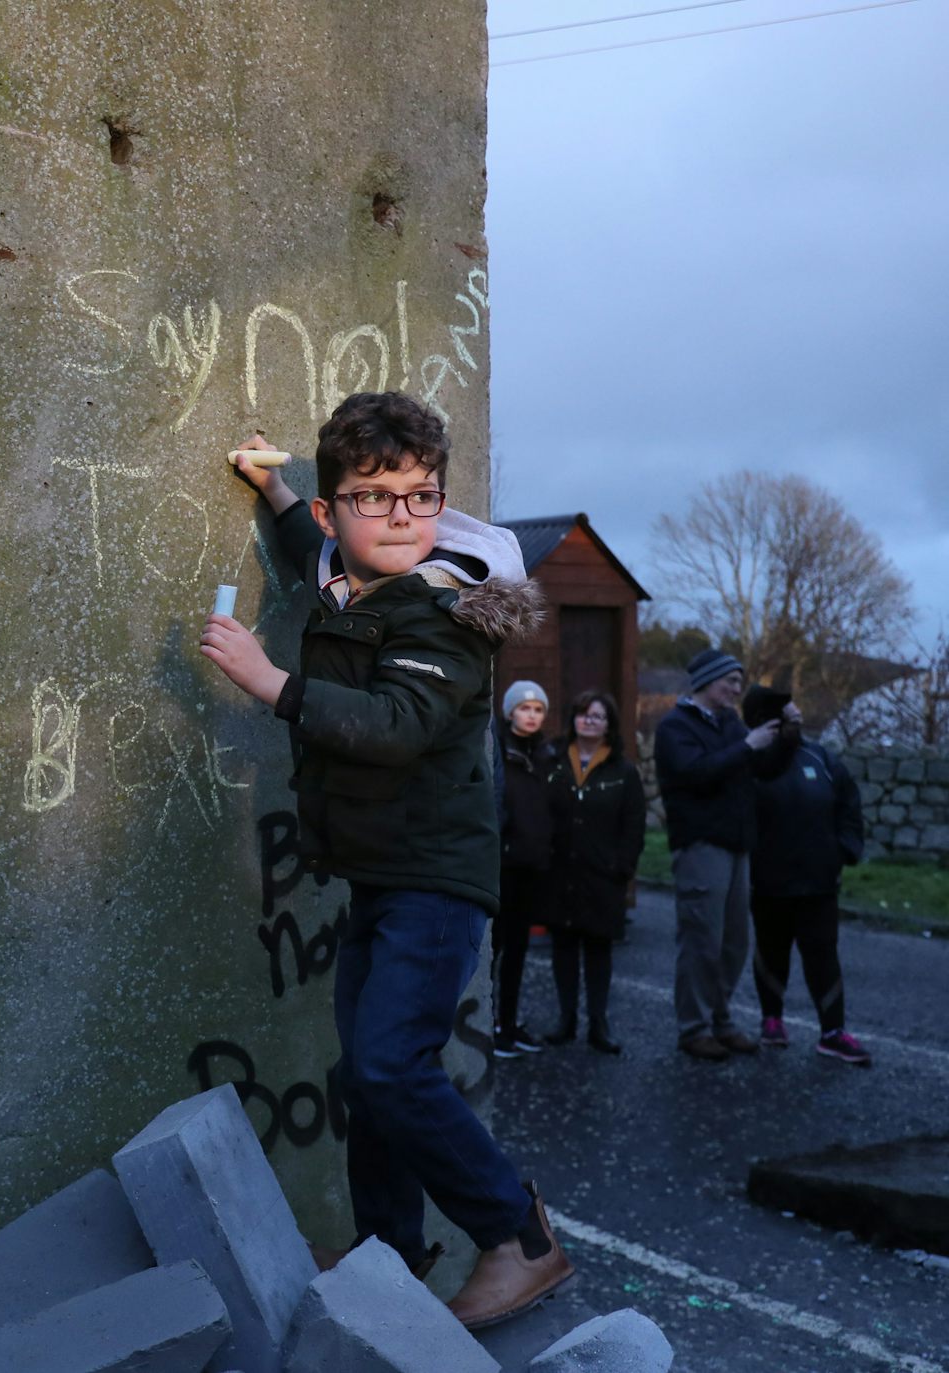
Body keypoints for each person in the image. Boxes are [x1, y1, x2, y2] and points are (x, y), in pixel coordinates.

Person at [202, 392, 571, 1329]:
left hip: (437, 879)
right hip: (384, 873)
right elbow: (308, 550)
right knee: (369, 1076)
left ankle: (519, 1236)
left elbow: (397, 726)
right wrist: (277, 489)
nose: (404, 515)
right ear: (338, 513)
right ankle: (388, 1256)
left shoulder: (445, 612)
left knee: (390, 1065)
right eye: (374, 496)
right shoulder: (348, 575)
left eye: (420, 495)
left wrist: (271, 681)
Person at [653, 648, 783, 1061]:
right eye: (730, 681)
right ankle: (694, 1028)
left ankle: (721, 1022)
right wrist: (748, 746)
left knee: (733, 943)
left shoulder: (730, 723)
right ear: (708, 681)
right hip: (701, 844)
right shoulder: (676, 727)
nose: (736, 689)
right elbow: (696, 773)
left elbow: (760, 770)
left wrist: (785, 734)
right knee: (702, 941)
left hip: (737, 844)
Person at [743, 686, 872, 1066]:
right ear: (770, 721)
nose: (797, 721)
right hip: (768, 881)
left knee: (823, 954)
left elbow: (850, 803)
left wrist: (845, 848)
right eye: (790, 717)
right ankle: (772, 1021)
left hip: (818, 880)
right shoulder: (749, 759)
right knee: (771, 951)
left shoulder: (821, 757)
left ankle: (832, 1032)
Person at [543, 690, 646, 1054]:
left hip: (603, 878)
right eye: (584, 714)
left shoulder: (623, 770)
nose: (590, 721)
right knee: (564, 948)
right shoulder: (553, 761)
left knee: (598, 951)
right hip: (560, 875)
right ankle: (565, 1020)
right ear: (573, 719)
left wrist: (622, 868)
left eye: (598, 716)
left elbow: (634, 826)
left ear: (609, 725)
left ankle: (598, 1024)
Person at [495, 681, 555, 1059]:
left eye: (538, 709)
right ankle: (486, 1024)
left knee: (518, 951)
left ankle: (510, 1023)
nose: (531, 715)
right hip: (502, 866)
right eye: (524, 708)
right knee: (494, 949)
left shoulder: (547, 756)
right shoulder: (499, 751)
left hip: (532, 868)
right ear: (510, 712)